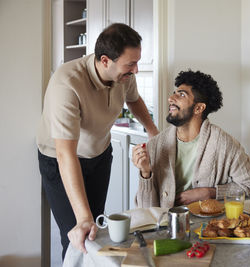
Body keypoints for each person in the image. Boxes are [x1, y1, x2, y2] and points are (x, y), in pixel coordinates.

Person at [37, 23, 159, 259]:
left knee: (96, 230)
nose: (135, 70)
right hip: (60, 160)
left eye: (137, 62)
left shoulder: (123, 75)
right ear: (105, 61)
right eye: (130, 64)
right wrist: (83, 217)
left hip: (99, 155)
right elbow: (65, 154)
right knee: (77, 235)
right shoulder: (68, 83)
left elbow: (134, 100)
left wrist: (152, 130)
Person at [132, 70, 250, 208]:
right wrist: (145, 173)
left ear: (199, 108)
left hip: (209, 226)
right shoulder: (155, 145)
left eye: (181, 94)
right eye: (175, 92)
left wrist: (210, 192)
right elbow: (145, 210)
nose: (171, 98)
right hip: (167, 225)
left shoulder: (224, 144)